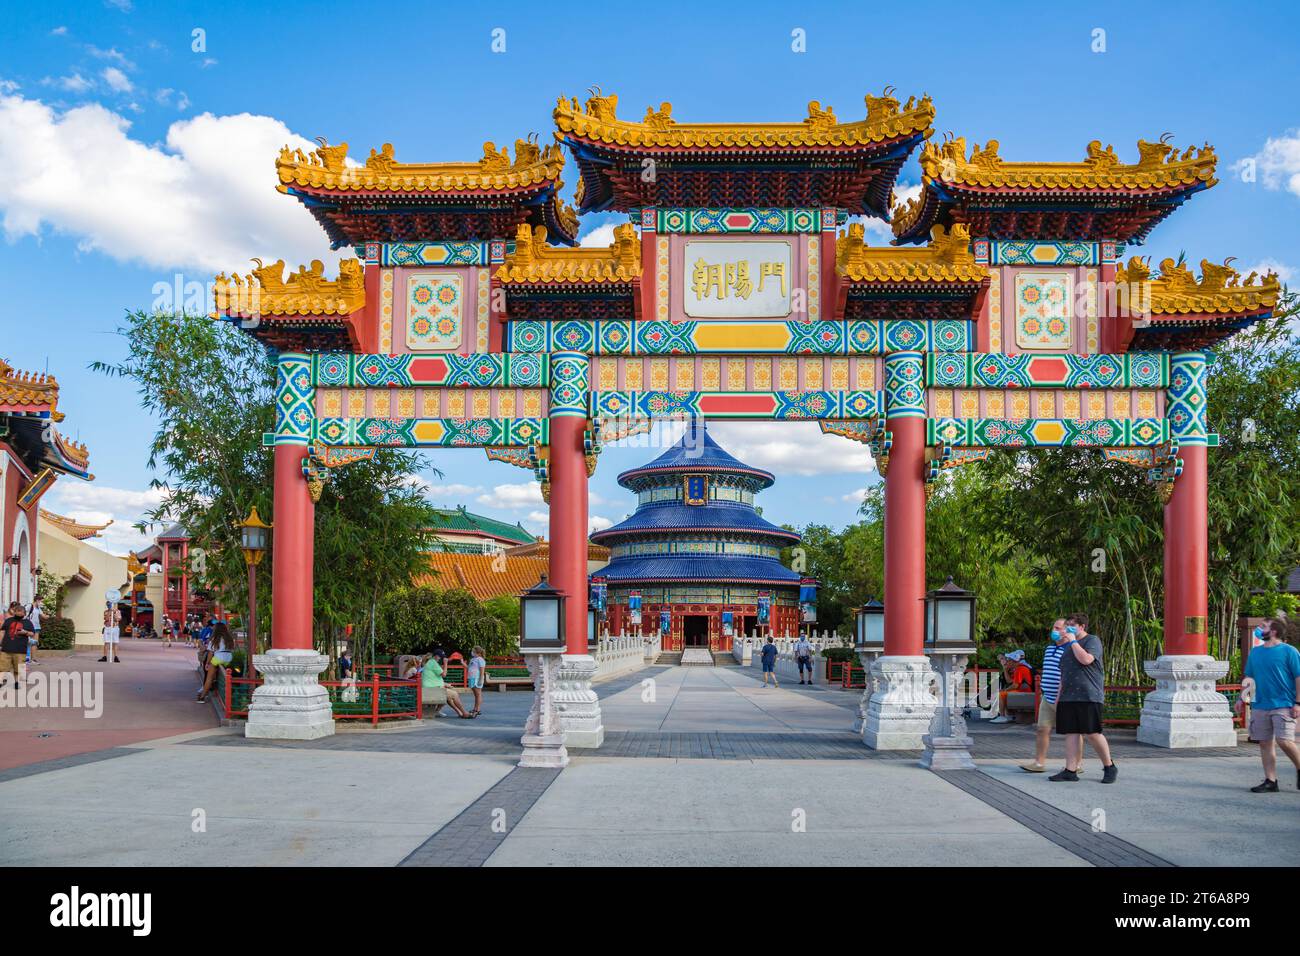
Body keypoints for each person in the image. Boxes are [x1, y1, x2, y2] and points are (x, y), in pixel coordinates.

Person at [1050, 612, 1117, 784]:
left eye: (1072, 625)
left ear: (1082, 626)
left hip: (1088, 695)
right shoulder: (1066, 647)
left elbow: (1086, 659)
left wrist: (1073, 641)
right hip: (1068, 696)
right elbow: (1063, 675)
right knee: (1071, 733)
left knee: (1092, 732)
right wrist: (1058, 698)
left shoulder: (1092, 641)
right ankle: (1070, 770)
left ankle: (1109, 766)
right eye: (1068, 625)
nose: (1069, 629)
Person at [1242, 618, 1300, 793]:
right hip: (1260, 704)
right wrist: (1241, 699)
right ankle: (1270, 780)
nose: (1259, 629)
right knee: (1265, 743)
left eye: (1263, 627)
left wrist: (1298, 702)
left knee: (1284, 740)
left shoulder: (1289, 651)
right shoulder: (1255, 653)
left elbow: (1299, 678)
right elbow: (1250, 678)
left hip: (1284, 703)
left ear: (1273, 631)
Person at [1021, 620, 1067, 772]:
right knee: (1042, 729)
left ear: (1066, 630)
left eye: (1057, 628)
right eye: (1053, 627)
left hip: (1064, 697)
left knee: (1072, 733)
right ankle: (1039, 763)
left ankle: (1076, 764)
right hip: (1047, 696)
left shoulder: (1072, 649)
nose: (1053, 630)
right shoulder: (1049, 648)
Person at [989, 649, 1035, 723]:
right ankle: (1009, 715)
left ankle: (1002, 716)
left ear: (1014, 661)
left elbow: (1015, 685)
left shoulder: (1020, 669)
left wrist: (1005, 690)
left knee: (1001, 694)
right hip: (1024, 690)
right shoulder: (1020, 667)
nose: (1008, 662)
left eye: (1010, 660)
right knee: (1005, 693)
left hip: (1024, 691)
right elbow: (1011, 682)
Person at [422, 650, 471, 718]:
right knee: (454, 694)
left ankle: (458, 712)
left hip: (430, 689)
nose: (441, 658)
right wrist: (445, 663)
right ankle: (464, 713)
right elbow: (444, 674)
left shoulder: (430, 662)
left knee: (449, 696)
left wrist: (445, 684)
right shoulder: (433, 663)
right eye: (440, 657)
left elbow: (433, 678)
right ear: (436, 656)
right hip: (431, 690)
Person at [195, 622, 235, 702]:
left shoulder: (215, 639)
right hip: (229, 657)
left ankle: (202, 697)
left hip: (218, 657)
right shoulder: (229, 638)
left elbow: (210, 653)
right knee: (224, 676)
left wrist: (207, 663)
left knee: (209, 678)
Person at [2, 602, 33, 688]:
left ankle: (17, 683)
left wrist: (25, 632)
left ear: (24, 613)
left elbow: (32, 634)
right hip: (6, 648)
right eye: (17, 611)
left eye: (21, 611)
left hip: (20, 649)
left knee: (19, 668)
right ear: (14, 612)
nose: (19, 613)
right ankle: (1, 681)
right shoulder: (8, 621)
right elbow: (2, 631)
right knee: (2, 667)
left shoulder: (28, 622)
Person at [466, 645, 487, 717]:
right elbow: (469, 667)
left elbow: (482, 670)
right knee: (476, 695)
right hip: (471, 678)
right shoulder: (473, 659)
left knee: (478, 694)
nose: (472, 652)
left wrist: (480, 679)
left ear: (477, 652)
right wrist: (463, 663)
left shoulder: (480, 659)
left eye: (473, 651)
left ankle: (477, 710)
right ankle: (475, 708)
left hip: (476, 679)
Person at [25, 595, 43, 666]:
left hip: (37, 627)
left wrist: (47, 616)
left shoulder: (38, 608)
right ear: (37, 600)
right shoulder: (30, 606)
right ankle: (27, 659)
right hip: (30, 627)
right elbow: (23, 612)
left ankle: (33, 659)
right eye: (41, 601)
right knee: (29, 643)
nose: (41, 603)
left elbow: (42, 615)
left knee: (35, 643)